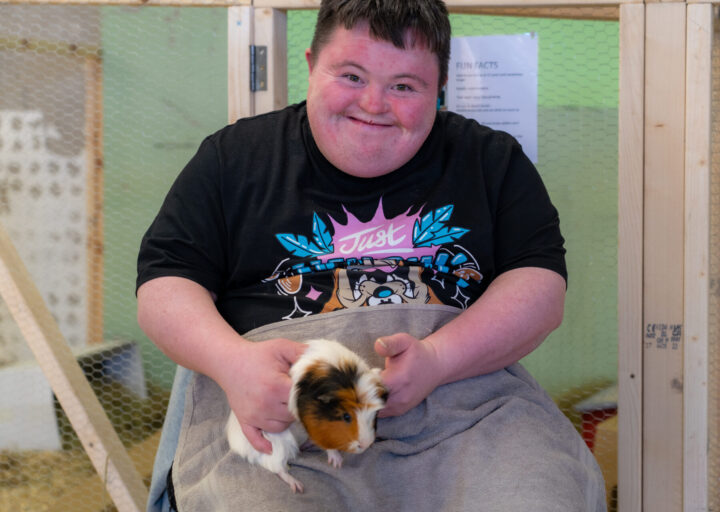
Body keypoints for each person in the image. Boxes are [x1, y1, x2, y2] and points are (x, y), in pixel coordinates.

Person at [137, 1, 605, 510]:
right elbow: (165, 285)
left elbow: (540, 288)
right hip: (285, 424)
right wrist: (233, 365)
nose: (374, 103)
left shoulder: (490, 159)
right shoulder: (233, 157)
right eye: (352, 75)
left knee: (534, 495)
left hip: (465, 413)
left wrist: (438, 359)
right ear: (313, 65)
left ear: (440, 87)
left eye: (404, 85)